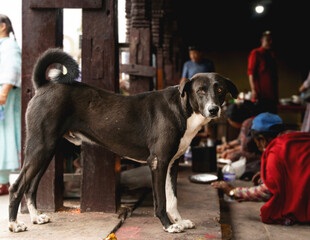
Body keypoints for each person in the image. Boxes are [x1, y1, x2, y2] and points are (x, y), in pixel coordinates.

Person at [212, 113, 310, 225]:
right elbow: (297, 170)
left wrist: (233, 191)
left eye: (257, 142)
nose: (259, 147)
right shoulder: (298, 137)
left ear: (262, 139)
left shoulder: (276, 150)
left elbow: (267, 191)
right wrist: (268, 174)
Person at [0, 14, 21, 195]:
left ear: (3, 26)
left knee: (4, 135)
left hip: (5, 96)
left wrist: (4, 91)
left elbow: (13, 68)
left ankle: (2, 181)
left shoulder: (9, 45)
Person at [217, 101, 261, 176]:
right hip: (254, 151)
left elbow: (245, 148)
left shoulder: (247, 123)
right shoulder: (251, 120)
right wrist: (228, 145)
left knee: (230, 157)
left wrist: (231, 150)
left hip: (259, 155)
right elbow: (240, 140)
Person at [247, 31, 278, 113]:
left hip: (272, 96)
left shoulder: (271, 55)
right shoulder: (256, 53)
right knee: (261, 119)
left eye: (271, 40)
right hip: (261, 95)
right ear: (262, 40)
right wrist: (253, 90)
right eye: (268, 40)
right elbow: (251, 73)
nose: (270, 43)